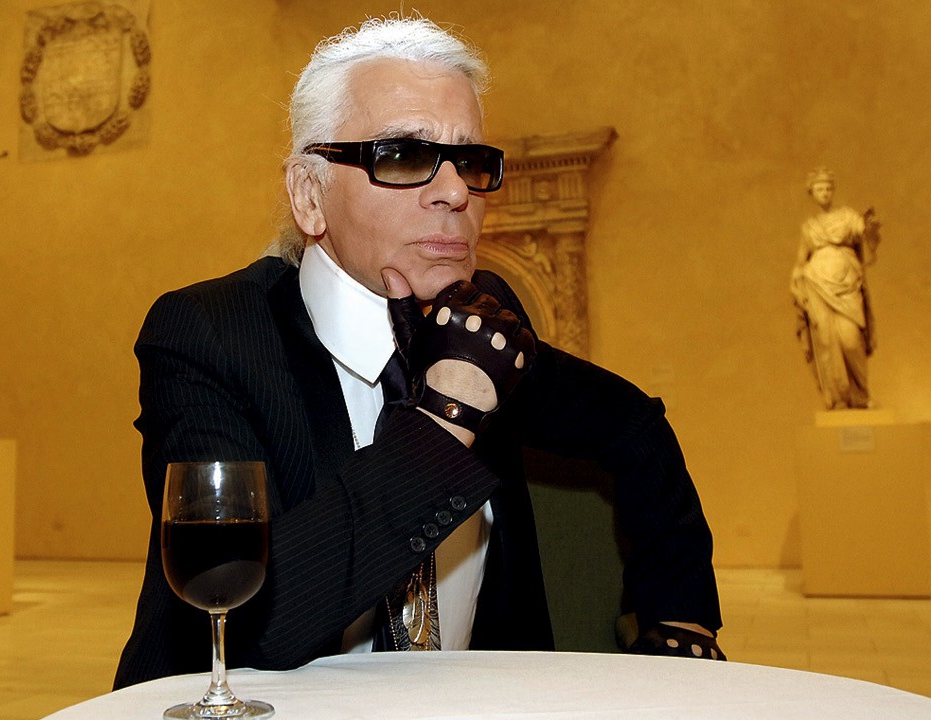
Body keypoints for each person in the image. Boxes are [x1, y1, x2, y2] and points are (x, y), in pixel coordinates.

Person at [114, 15, 724, 689]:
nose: (457, 192)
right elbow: (248, 617)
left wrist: (682, 615)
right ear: (310, 195)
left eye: (471, 162)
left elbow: (633, 424)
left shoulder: (483, 323)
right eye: (403, 156)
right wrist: (445, 417)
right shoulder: (209, 335)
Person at [790, 168, 880, 409]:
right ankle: (839, 398)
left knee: (850, 340)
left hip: (847, 284)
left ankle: (861, 395)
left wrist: (870, 228)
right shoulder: (809, 227)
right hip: (817, 286)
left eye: (828, 188)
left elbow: (864, 232)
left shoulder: (848, 216)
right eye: (819, 189)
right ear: (812, 192)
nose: (825, 193)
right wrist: (796, 282)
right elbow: (801, 261)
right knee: (827, 342)